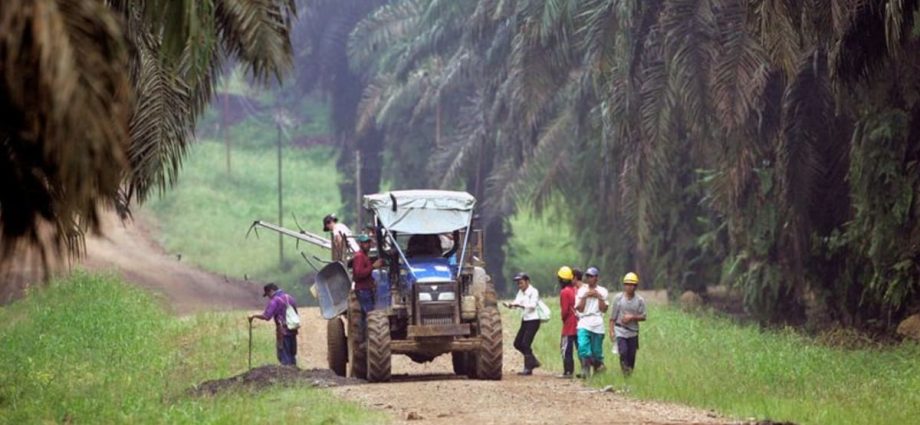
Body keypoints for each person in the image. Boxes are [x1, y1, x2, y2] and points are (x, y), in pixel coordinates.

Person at [248, 283, 299, 366]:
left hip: (282, 332)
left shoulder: (275, 300)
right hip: (293, 330)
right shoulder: (290, 298)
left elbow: (267, 316)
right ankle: (295, 374)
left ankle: (287, 376)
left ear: (271, 291)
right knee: (292, 355)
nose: (268, 297)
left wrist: (254, 316)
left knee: (283, 356)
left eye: (268, 294)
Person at [503, 272, 541, 375]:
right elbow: (517, 302)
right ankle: (533, 361)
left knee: (525, 343)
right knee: (517, 343)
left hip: (533, 320)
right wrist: (511, 305)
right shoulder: (520, 292)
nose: (520, 286)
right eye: (518, 284)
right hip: (525, 319)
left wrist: (520, 305)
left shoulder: (534, 291)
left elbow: (532, 305)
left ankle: (528, 368)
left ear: (527, 282)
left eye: (521, 283)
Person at [609, 272, 647, 376]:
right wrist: (611, 331)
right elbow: (612, 317)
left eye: (632, 285)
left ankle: (629, 374)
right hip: (620, 330)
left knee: (631, 356)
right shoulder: (618, 298)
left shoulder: (640, 300)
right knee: (623, 351)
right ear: (624, 285)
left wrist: (632, 317)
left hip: (633, 332)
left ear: (636, 286)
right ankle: (624, 372)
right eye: (627, 284)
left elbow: (643, 316)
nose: (629, 287)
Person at [575, 266, 608, 377]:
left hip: (597, 322)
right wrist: (585, 296)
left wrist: (599, 297)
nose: (589, 279)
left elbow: (604, 309)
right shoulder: (582, 291)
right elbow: (579, 308)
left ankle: (597, 372)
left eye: (591, 276)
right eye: (587, 276)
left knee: (597, 352)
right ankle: (587, 369)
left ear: (596, 278)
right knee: (583, 347)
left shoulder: (603, 291)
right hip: (584, 321)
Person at [352, 234, 383, 317]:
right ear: (360, 244)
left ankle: (363, 330)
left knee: (365, 315)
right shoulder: (359, 256)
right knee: (370, 313)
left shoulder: (365, 256)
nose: (368, 245)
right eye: (365, 243)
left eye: (368, 242)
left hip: (366, 288)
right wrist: (373, 266)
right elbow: (359, 274)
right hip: (363, 289)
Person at [557, 266, 578, 378]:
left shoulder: (564, 292)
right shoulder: (574, 290)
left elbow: (564, 310)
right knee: (579, 348)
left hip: (569, 325)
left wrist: (563, 318)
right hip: (578, 324)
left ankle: (568, 372)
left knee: (566, 349)